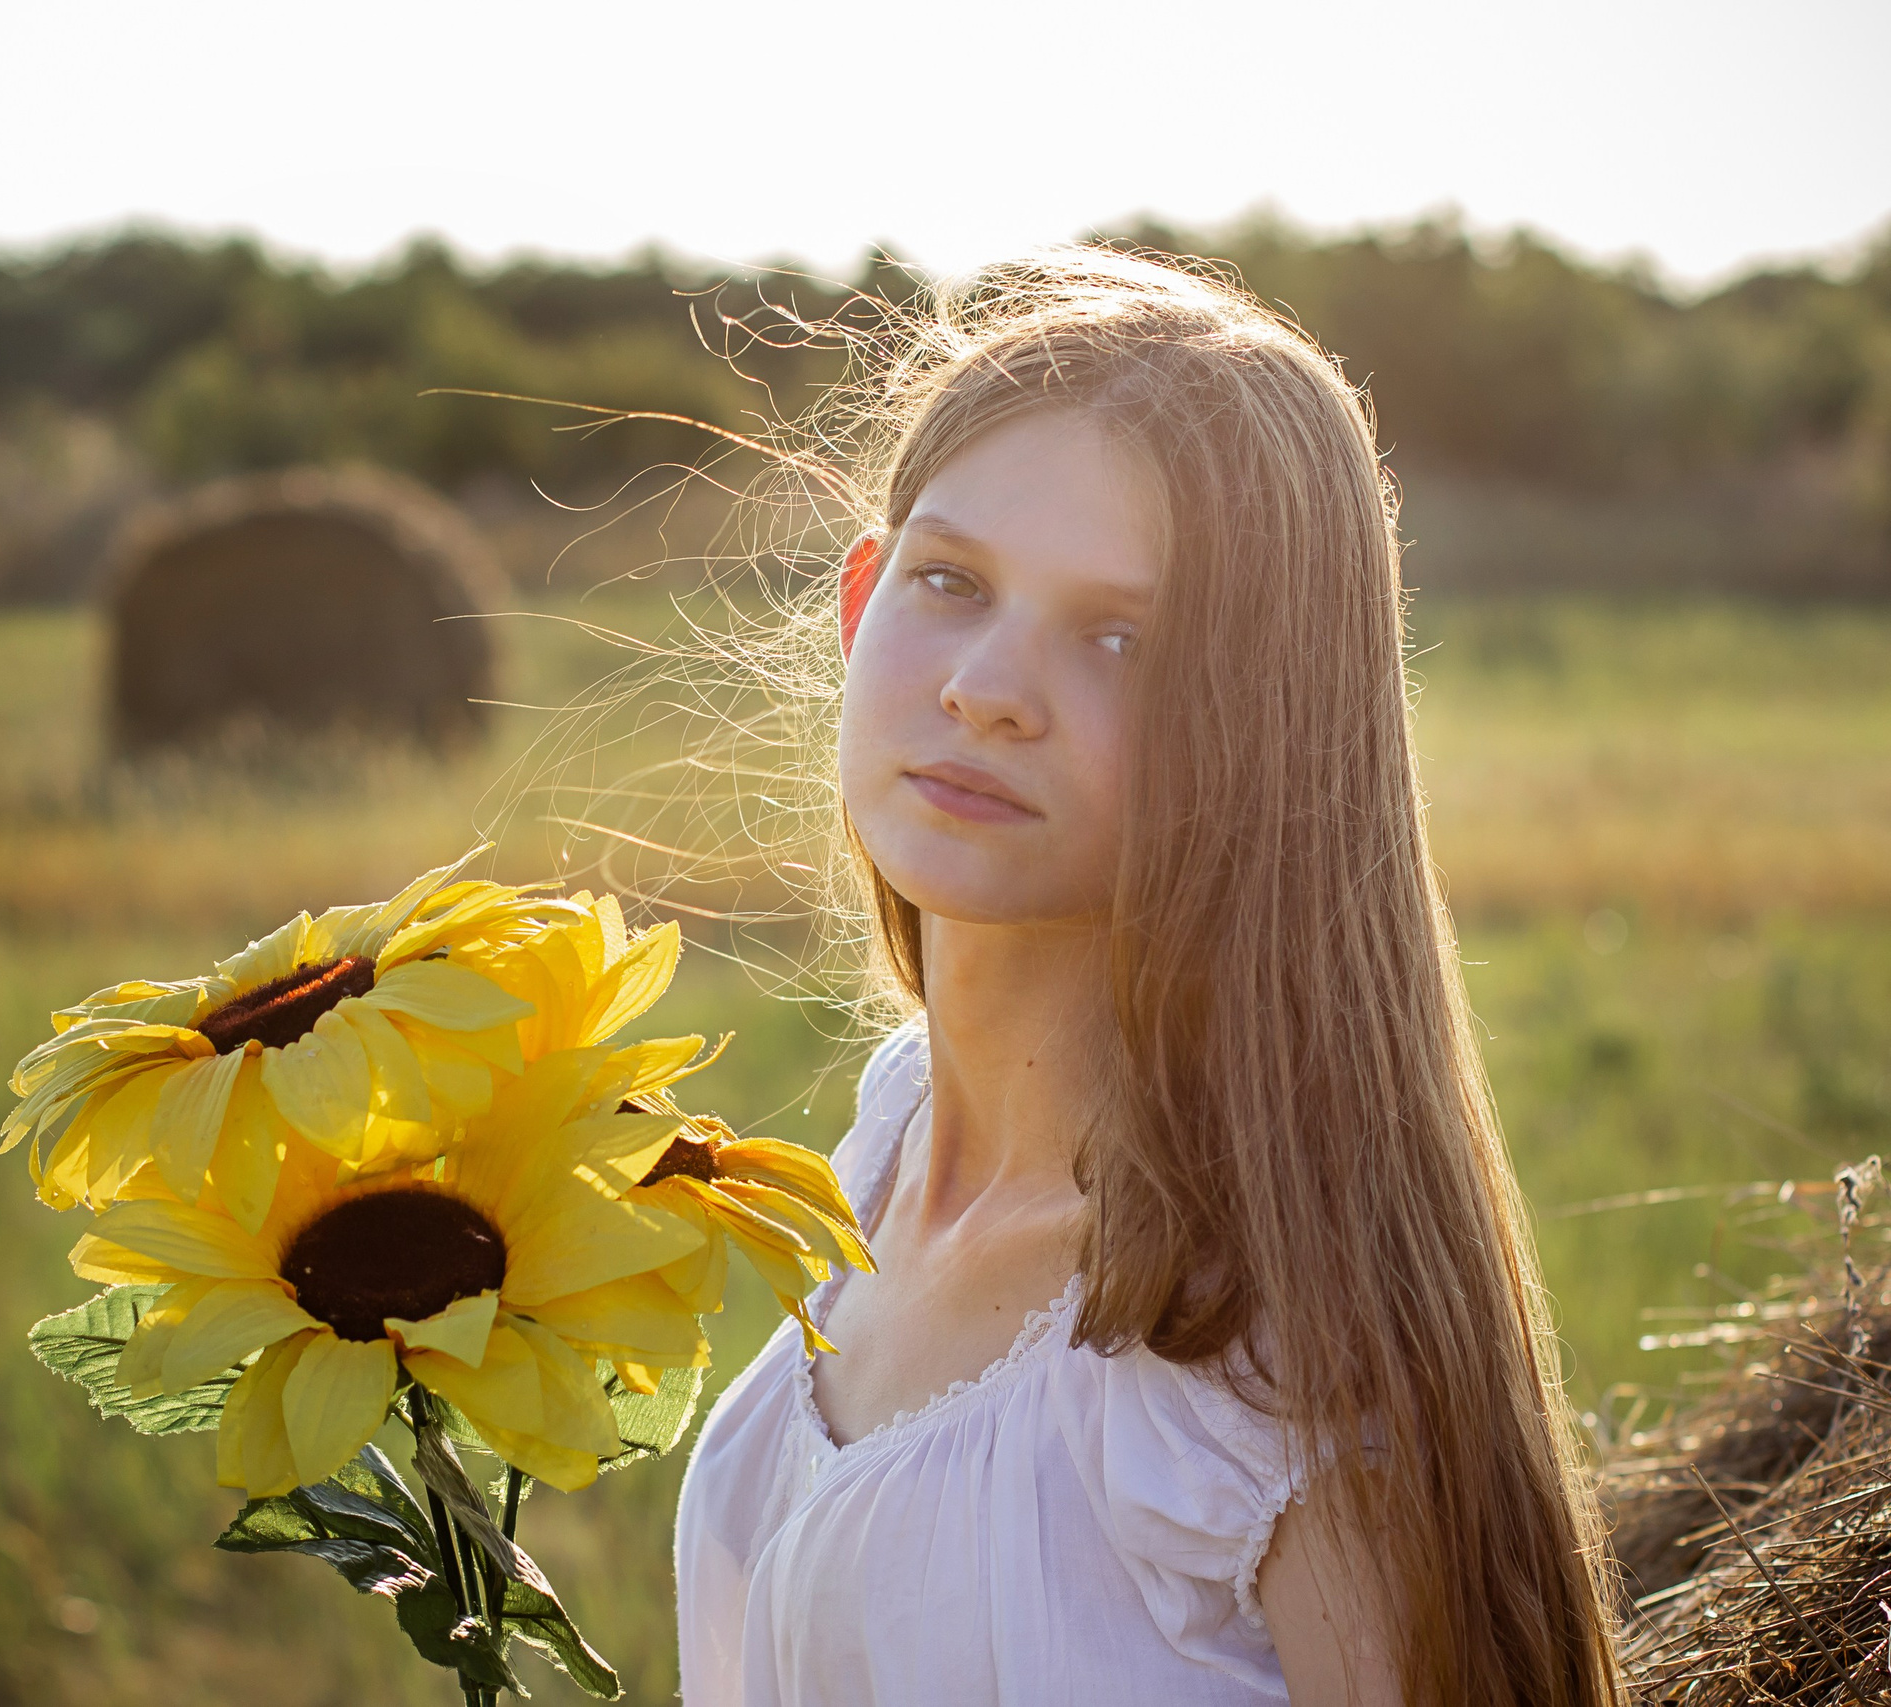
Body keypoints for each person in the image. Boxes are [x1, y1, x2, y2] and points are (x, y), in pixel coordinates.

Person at [670, 252, 1623, 1705]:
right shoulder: (886, 1146)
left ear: (1266, 730)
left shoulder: (1274, 1358)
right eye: (950, 580)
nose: (989, 685)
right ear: (862, 604)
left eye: (1120, 639)